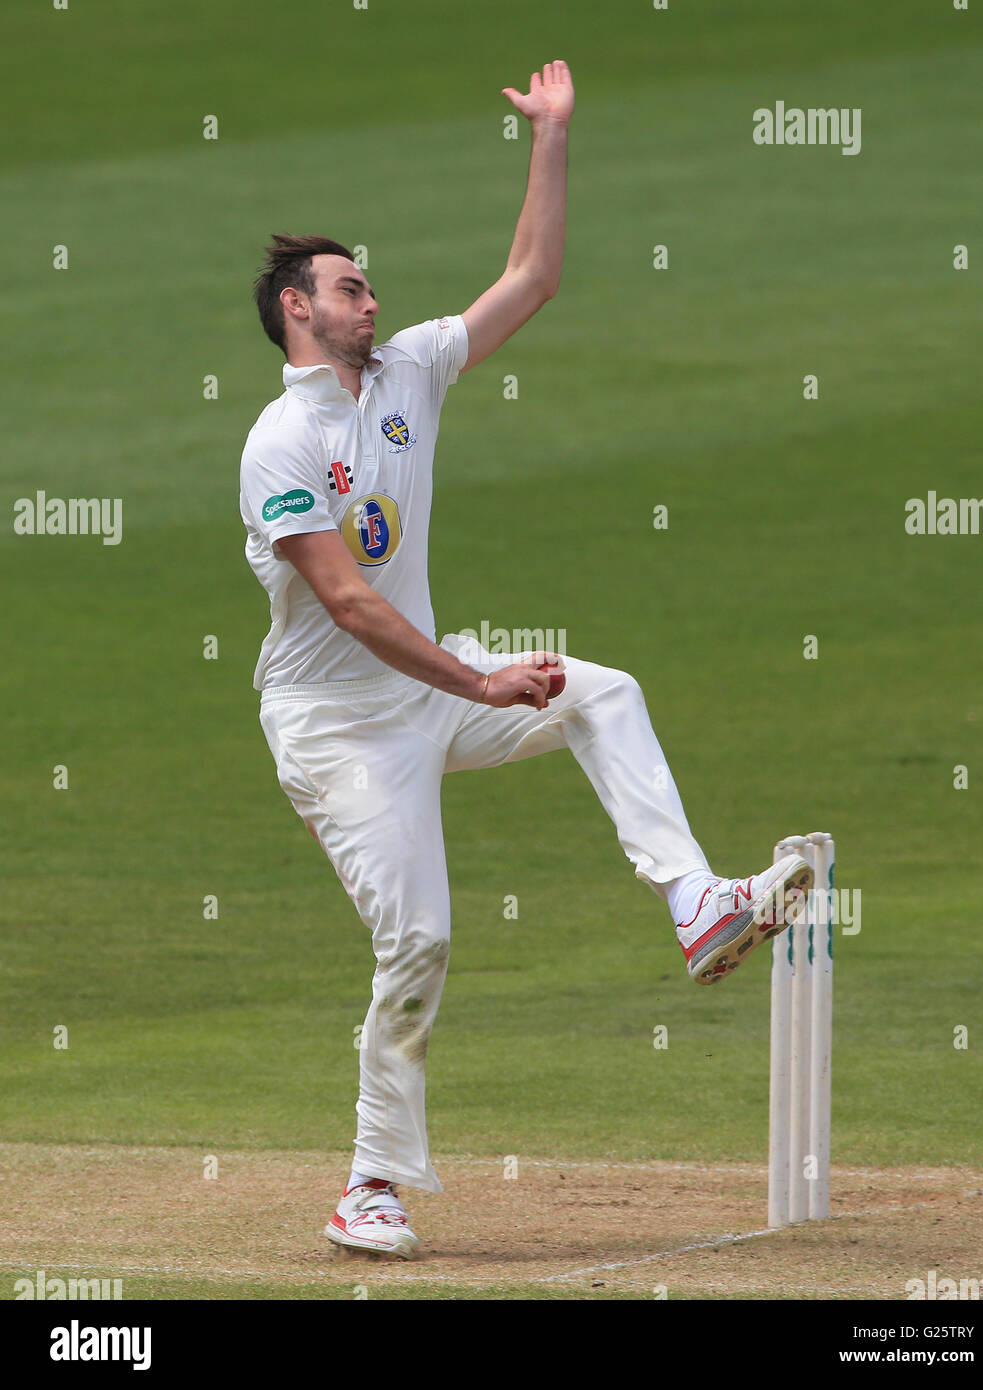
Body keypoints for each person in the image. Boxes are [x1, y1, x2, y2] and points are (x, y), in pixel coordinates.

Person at [239, 60, 811, 1260]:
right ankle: (369, 1187)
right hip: (337, 731)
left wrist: (550, 134)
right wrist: (484, 681)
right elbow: (344, 603)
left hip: (428, 686)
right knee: (424, 938)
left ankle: (696, 899)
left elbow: (533, 278)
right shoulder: (283, 441)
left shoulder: (407, 372)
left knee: (603, 693)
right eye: (349, 286)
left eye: (369, 282)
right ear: (298, 309)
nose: (370, 297)